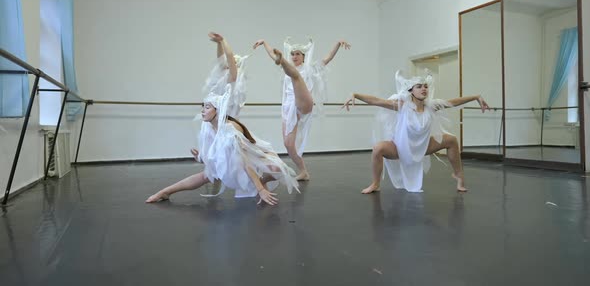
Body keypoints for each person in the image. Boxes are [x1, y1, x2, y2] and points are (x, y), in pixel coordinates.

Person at [147, 85, 299, 205]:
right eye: (203, 106)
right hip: (232, 158)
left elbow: (245, 160)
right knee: (207, 175)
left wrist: (260, 189)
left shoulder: (230, 129)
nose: (202, 111)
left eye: (207, 107)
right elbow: (213, 152)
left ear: (217, 111)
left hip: (251, 157)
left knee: (278, 168)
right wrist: (200, 157)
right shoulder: (207, 126)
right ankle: (165, 192)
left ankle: (260, 181)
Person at [342, 70, 489, 194]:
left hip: (422, 147)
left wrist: (476, 97)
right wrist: (355, 95)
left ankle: (458, 175)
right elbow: (377, 101)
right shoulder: (402, 106)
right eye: (419, 86)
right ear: (411, 90)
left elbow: (453, 102)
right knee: (378, 148)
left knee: (451, 140)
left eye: (425, 86)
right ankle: (375, 183)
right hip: (400, 148)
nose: (424, 89)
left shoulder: (432, 106)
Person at [253, 37, 350, 181]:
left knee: (295, 76)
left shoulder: (310, 68)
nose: (294, 56)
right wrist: (264, 43)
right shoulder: (287, 66)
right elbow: (273, 55)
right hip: (289, 105)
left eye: (298, 54)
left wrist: (337, 44)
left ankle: (284, 62)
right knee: (288, 144)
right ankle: (303, 171)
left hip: (304, 102)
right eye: (292, 54)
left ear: (304, 56)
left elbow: (328, 57)